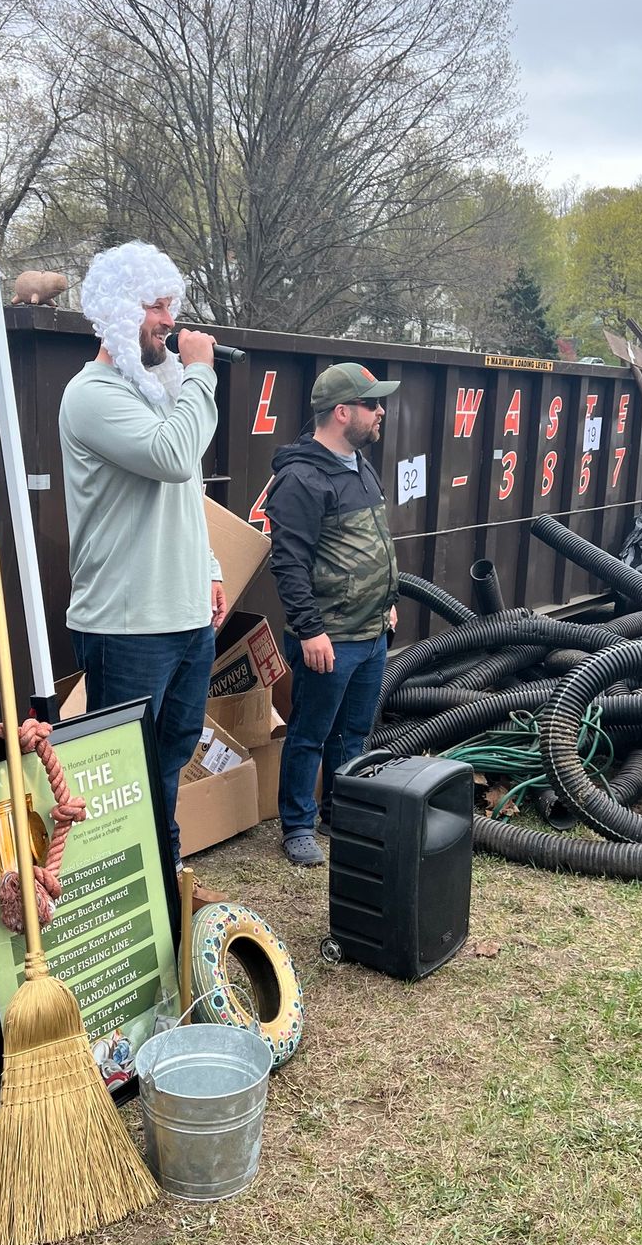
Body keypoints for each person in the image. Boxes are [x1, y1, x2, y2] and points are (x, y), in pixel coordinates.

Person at [59, 241, 226, 870]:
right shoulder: (93, 394)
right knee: (116, 773)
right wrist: (202, 373)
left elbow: (187, 492)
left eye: (171, 306)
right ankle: (115, 881)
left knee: (172, 754)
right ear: (118, 312)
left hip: (185, 618)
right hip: (128, 626)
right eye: (157, 307)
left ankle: (163, 868)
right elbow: (173, 457)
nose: (171, 322)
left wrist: (208, 569)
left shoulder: (159, 393)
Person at [265, 362, 401, 866]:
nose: (380, 410)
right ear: (343, 412)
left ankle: (340, 810)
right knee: (310, 733)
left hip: (370, 634)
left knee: (356, 733)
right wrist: (310, 630)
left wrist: (386, 603)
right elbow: (289, 563)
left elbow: (372, 545)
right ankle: (298, 825)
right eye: (371, 404)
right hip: (330, 639)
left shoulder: (360, 467)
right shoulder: (301, 478)